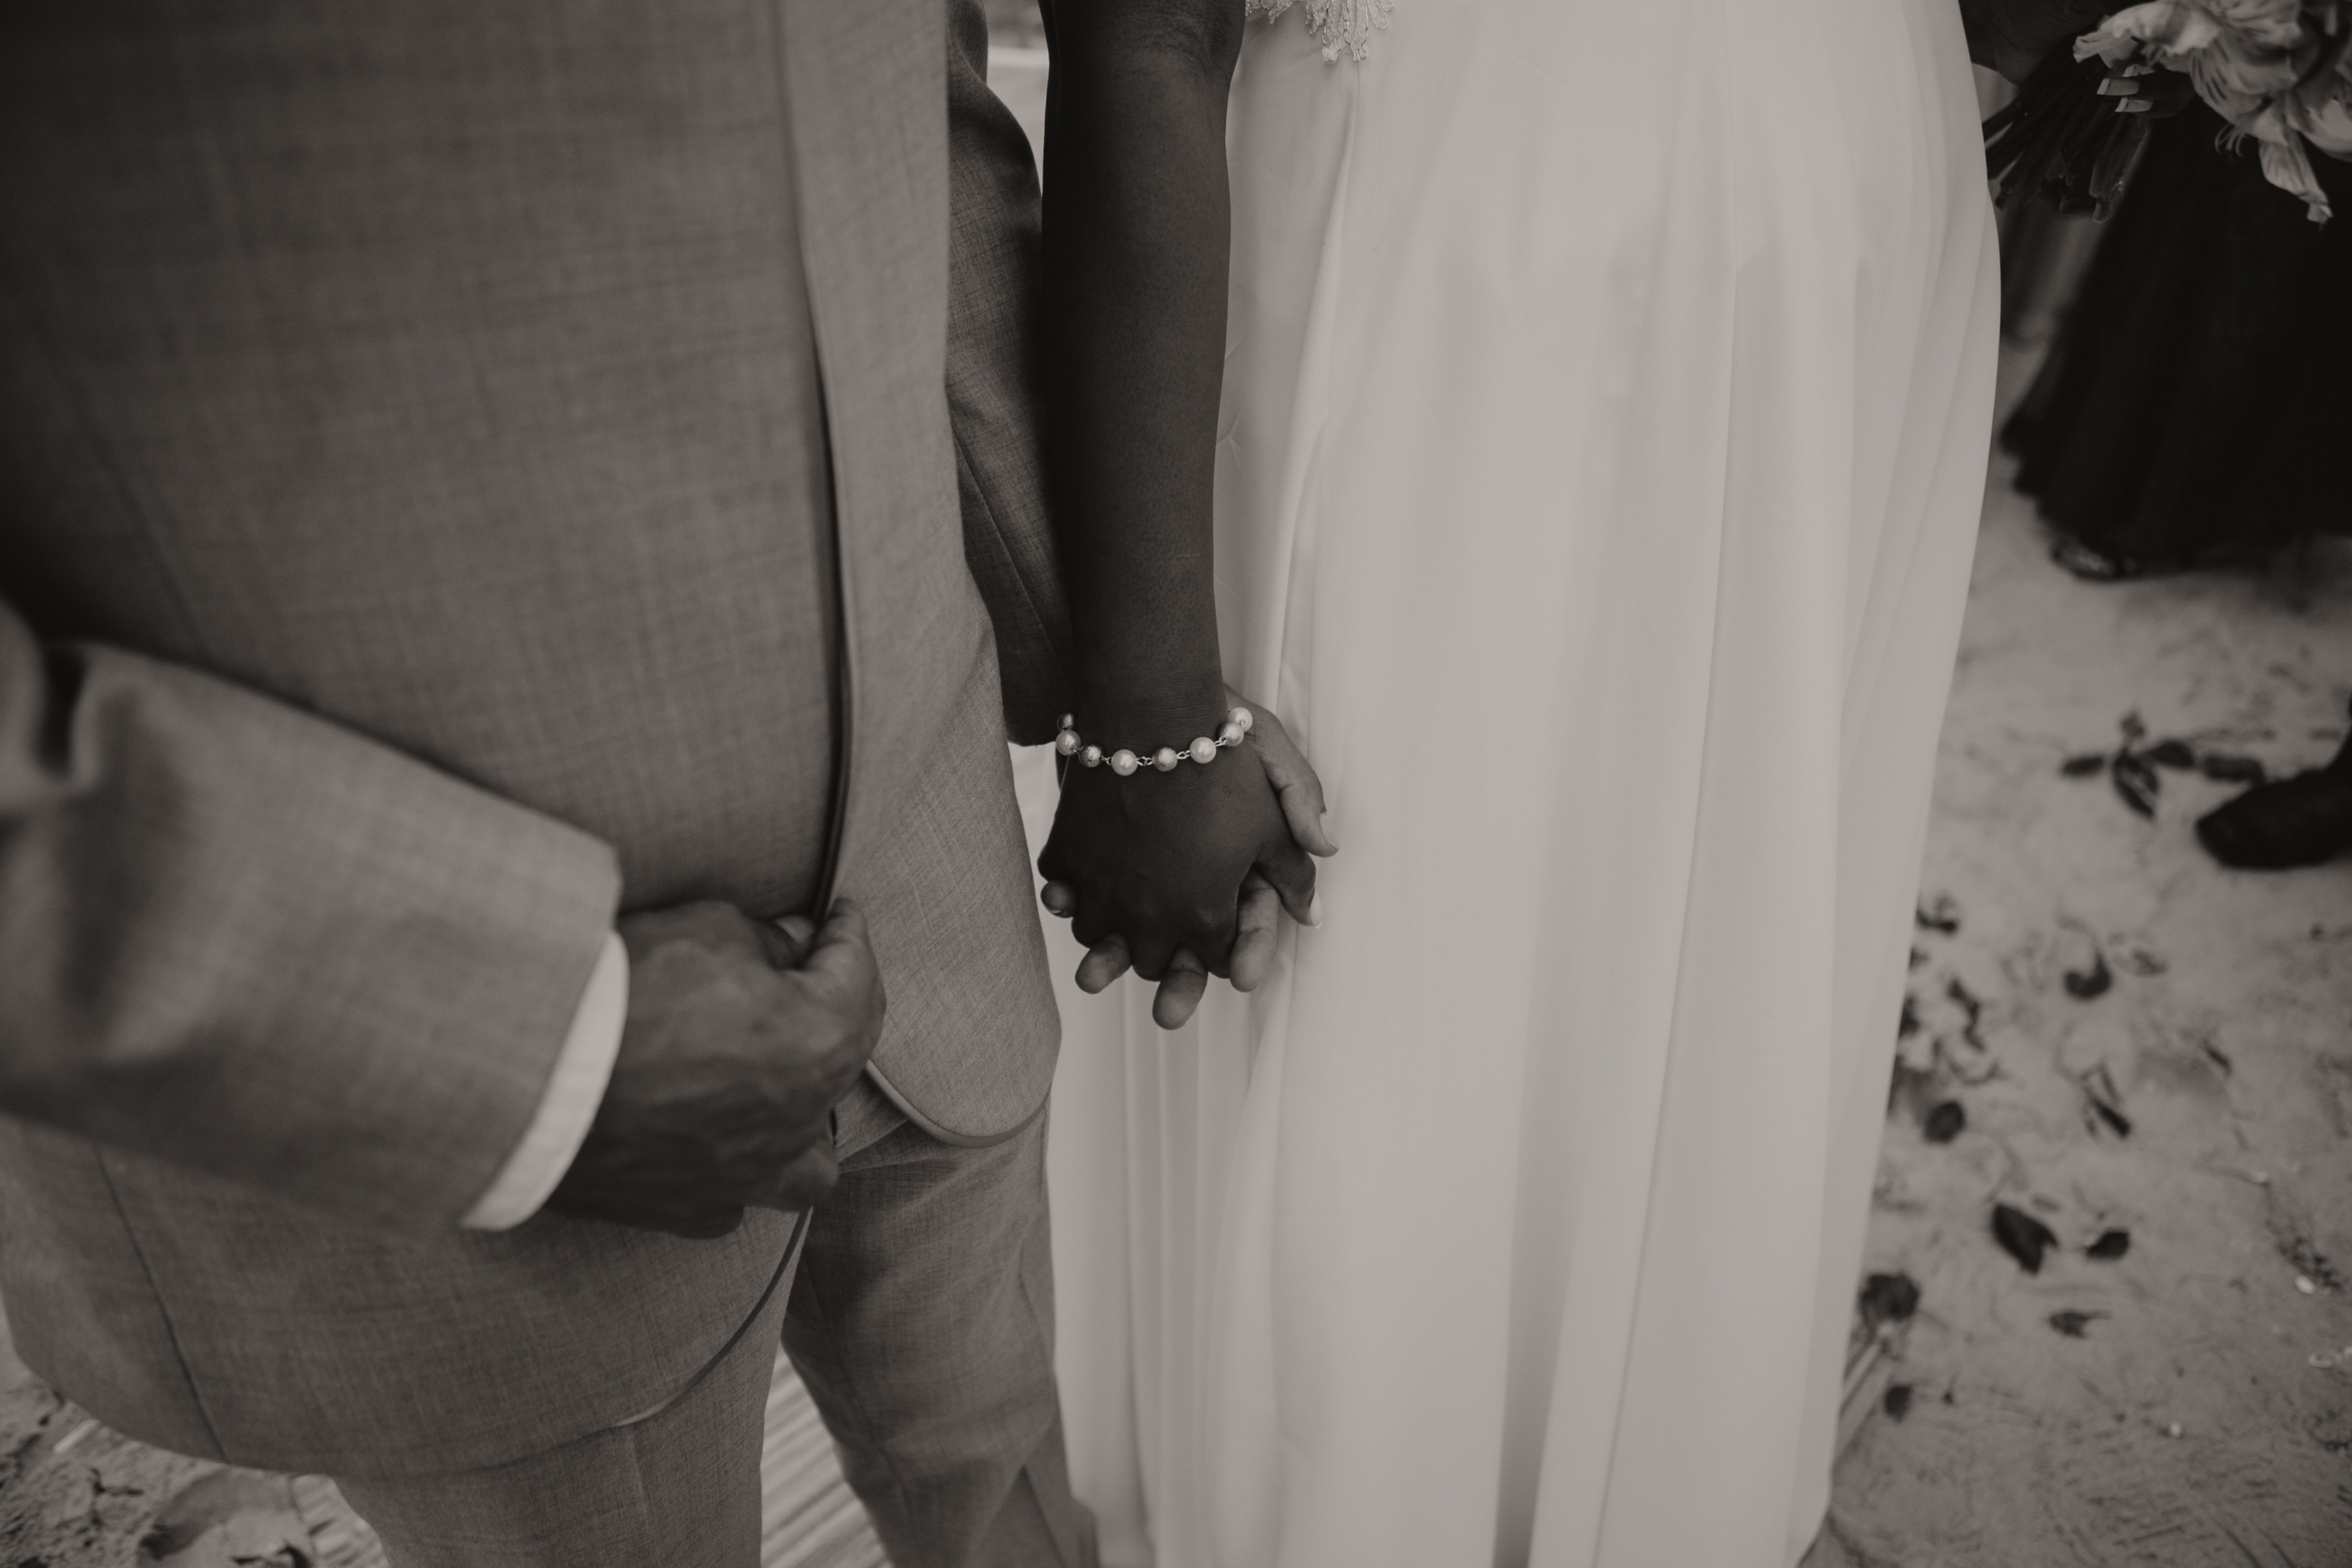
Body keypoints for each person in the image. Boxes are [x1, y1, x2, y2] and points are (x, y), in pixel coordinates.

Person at [0, 4, 1093, 1566]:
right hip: (433, 1057)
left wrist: (1123, 694)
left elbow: (926, 99)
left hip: (930, 854)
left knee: (1006, 1478)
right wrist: (536, 1048)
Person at [1023, 1, 2105, 1563]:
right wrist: (1149, 710)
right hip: (1481, 251)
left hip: (1842, 216)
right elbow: (1141, 28)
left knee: (1725, 899)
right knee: (1402, 943)